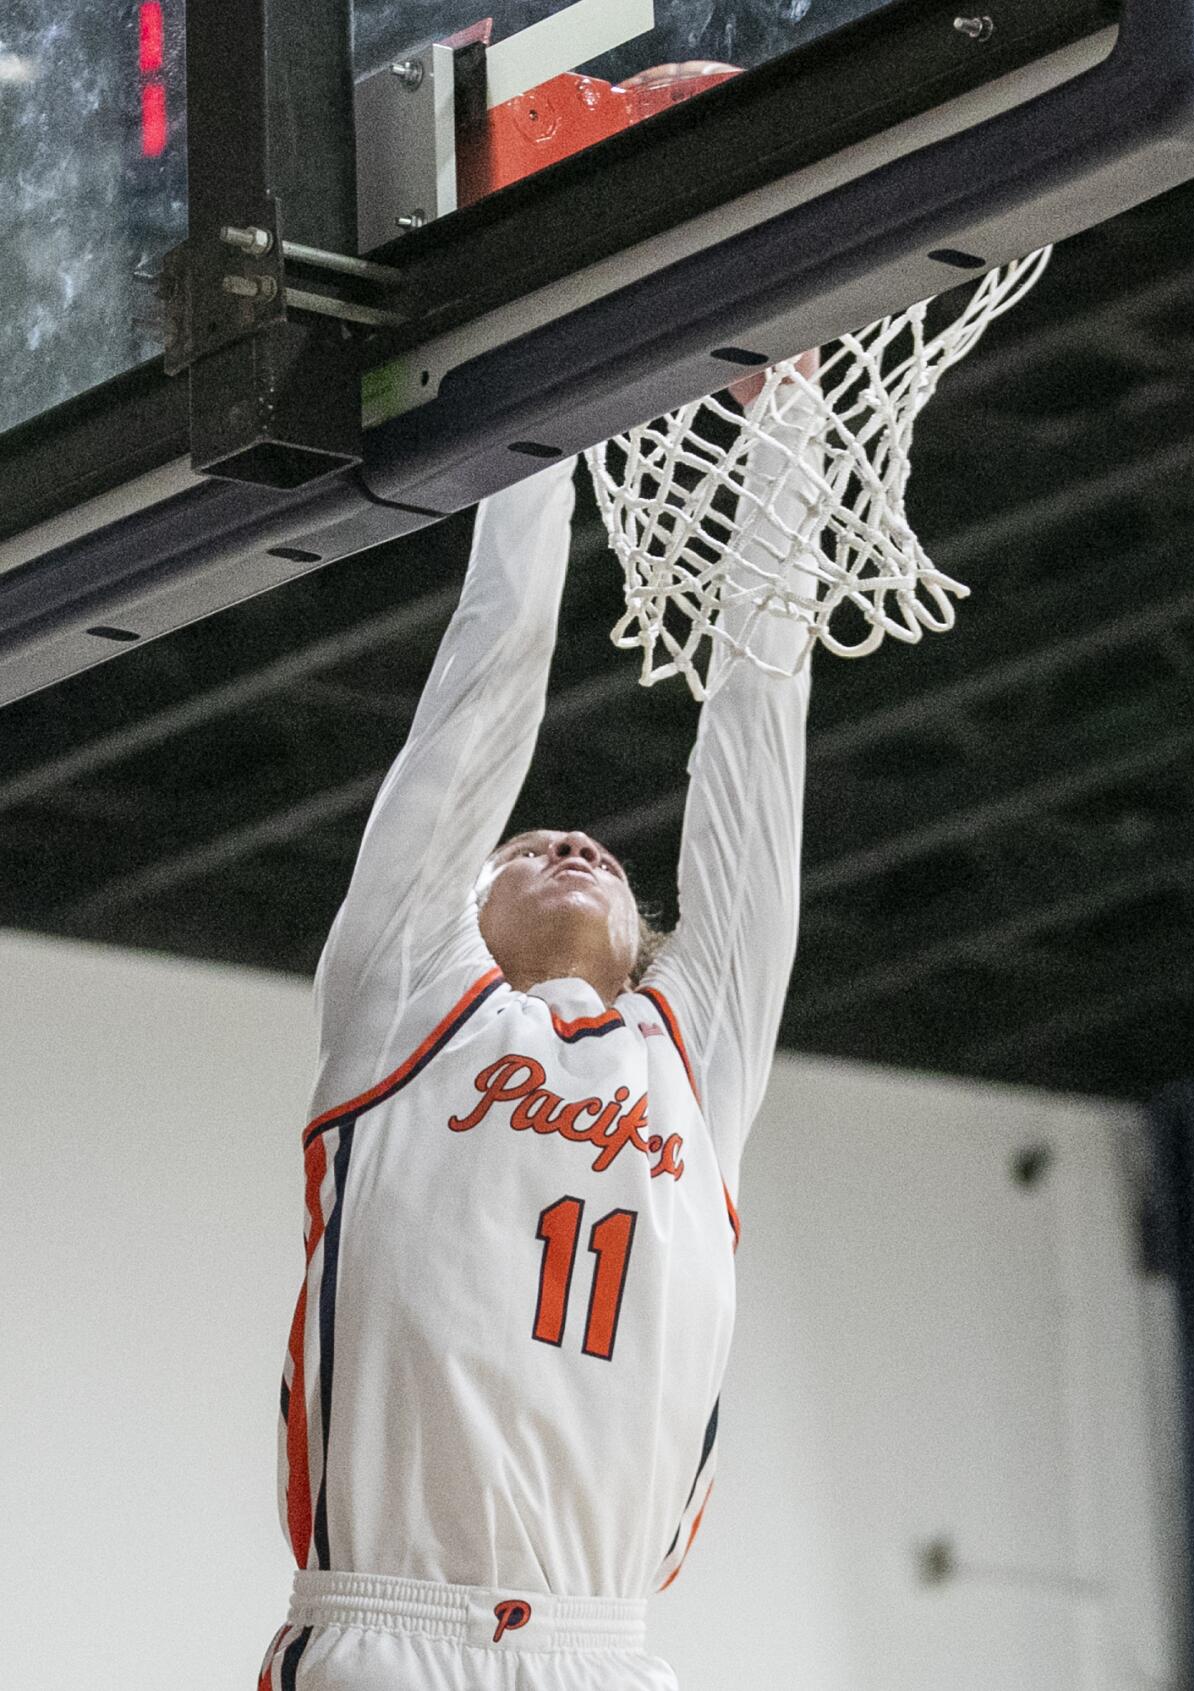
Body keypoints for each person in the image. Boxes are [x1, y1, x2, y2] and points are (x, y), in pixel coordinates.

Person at [257, 356, 819, 1688]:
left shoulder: (695, 1055)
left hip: (599, 1649)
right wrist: (541, 414)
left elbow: (755, 749)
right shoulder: (408, 1002)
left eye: (600, 860)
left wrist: (786, 444)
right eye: (520, 850)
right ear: (455, 903)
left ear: (650, 949)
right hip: (388, 1628)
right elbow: (489, 685)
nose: (571, 839)